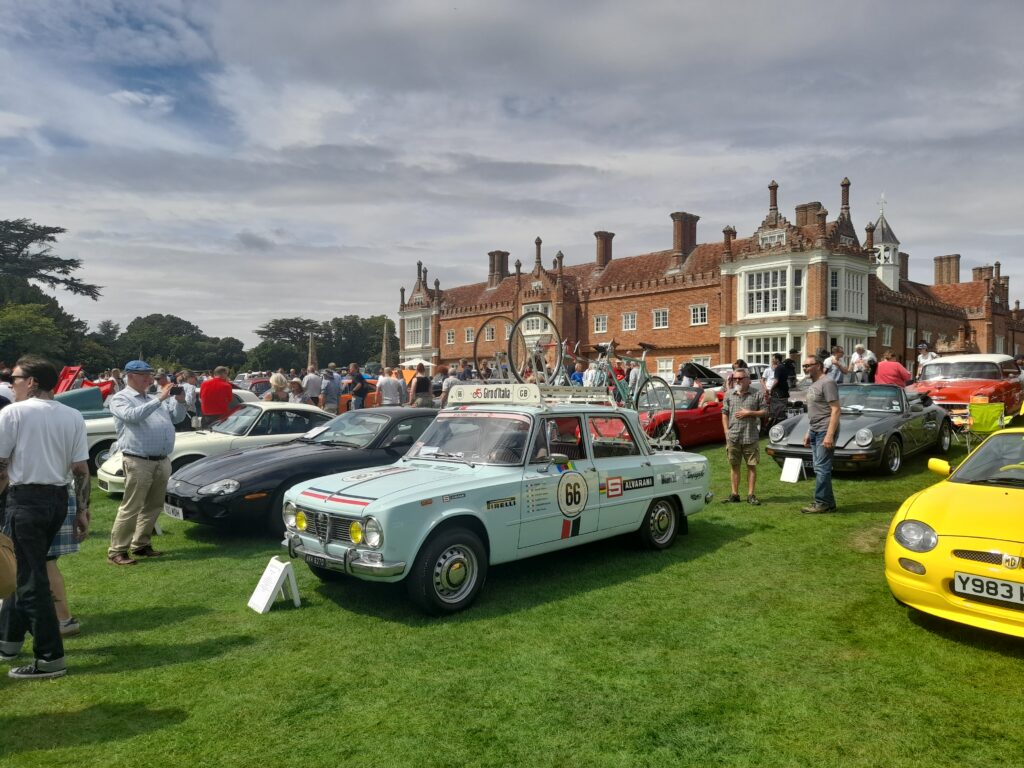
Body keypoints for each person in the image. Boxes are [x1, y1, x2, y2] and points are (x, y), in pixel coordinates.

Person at [0, 355, 90, 680]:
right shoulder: (72, 415)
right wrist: (82, 509)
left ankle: (50, 658)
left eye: (15, 378)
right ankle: (8, 641)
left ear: (32, 381)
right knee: (28, 570)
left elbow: (0, 465)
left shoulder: (13, 413)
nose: (11, 384)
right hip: (58, 501)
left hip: (26, 501)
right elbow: (81, 469)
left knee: (30, 580)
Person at [106, 359, 186, 565]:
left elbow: (177, 418)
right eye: (144, 375)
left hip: (161, 459)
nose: (149, 379)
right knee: (131, 506)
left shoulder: (152, 398)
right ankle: (117, 550)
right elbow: (132, 416)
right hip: (138, 460)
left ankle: (141, 544)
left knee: (154, 505)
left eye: (150, 375)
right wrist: (160, 399)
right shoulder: (120, 398)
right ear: (130, 376)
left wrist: (180, 401)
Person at [801, 356, 841, 514]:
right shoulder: (814, 384)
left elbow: (836, 410)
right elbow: (815, 411)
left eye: (808, 365)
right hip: (815, 429)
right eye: (803, 366)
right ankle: (828, 503)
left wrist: (829, 435)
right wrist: (808, 431)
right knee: (819, 467)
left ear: (818, 365)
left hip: (825, 429)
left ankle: (821, 503)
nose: (805, 368)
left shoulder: (827, 382)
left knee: (822, 468)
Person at [721, 368, 766, 506]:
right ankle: (734, 494)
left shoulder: (757, 393)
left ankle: (751, 495)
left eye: (740, 378)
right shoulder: (729, 394)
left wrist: (749, 413)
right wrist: (726, 431)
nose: (737, 381)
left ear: (748, 380)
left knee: (751, 466)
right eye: (735, 378)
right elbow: (724, 413)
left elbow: (765, 412)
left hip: (750, 436)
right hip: (733, 436)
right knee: (734, 465)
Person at [46, 488, 83, 637]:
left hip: (34, 502)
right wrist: (83, 509)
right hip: (61, 497)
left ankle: (64, 620)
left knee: (45, 562)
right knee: (45, 561)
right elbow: (81, 474)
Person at [765, 352, 790, 429]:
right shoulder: (784, 366)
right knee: (782, 412)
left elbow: (776, 381)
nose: (772, 360)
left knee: (776, 413)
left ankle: (776, 428)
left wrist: (771, 389)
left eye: (773, 358)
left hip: (778, 393)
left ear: (777, 359)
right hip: (784, 392)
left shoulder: (778, 368)